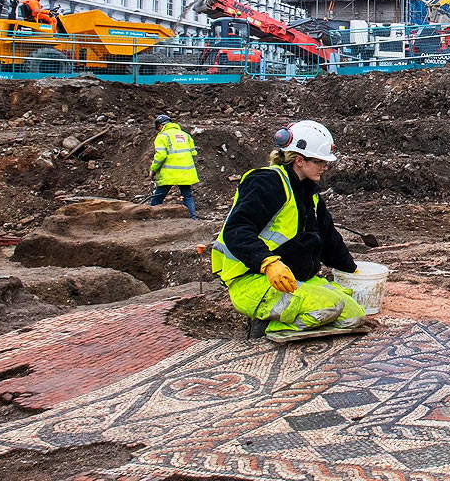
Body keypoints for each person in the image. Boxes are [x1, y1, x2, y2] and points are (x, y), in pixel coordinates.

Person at [209, 120, 366, 343]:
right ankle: (266, 328)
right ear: (300, 160)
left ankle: (295, 317)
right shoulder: (266, 182)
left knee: (354, 315)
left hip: (295, 278)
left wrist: (352, 270)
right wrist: (268, 262)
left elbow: (328, 238)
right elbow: (237, 229)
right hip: (255, 279)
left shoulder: (309, 193)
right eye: (320, 161)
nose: (325, 167)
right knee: (331, 305)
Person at [148, 114, 199, 218]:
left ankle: (150, 217)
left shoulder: (162, 137)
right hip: (186, 172)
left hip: (169, 173)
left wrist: (153, 169)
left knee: (158, 196)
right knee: (187, 196)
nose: (158, 130)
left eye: (158, 128)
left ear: (161, 126)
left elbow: (161, 156)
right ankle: (193, 218)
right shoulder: (186, 135)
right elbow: (194, 153)